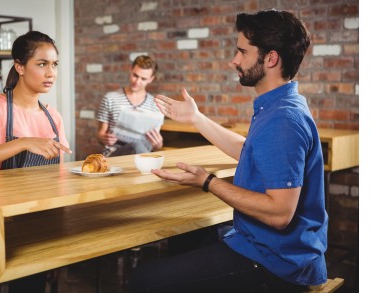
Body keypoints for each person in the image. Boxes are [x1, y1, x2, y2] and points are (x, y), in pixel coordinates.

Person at [129, 9, 328, 293]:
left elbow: (279, 213)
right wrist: (196, 118)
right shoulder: (279, 105)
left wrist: (207, 182)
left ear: (270, 58)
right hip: (267, 247)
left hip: (277, 265)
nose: (234, 60)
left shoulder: (283, 119)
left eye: (242, 52)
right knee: (184, 240)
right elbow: (249, 151)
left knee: (143, 280)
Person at [0, 30, 71, 173]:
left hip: (45, 195)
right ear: (20, 67)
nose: (51, 73)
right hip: (0, 195)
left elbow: (58, 175)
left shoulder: (54, 118)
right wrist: (23, 143)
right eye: (42, 64)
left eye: (54, 64)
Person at [96, 55, 164, 157]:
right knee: (136, 146)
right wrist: (104, 138)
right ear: (130, 70)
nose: (137, 82)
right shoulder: (110, 98)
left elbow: (153, 144)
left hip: (142, 154)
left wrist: (158, 145)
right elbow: (100, 135)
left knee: (139, 146)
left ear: (151, 79)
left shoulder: (155, 106)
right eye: (135, 75)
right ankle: (151, 168)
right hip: (114, 153)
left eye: (143, 79)